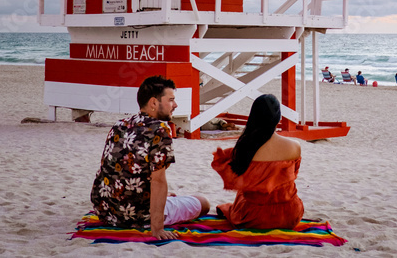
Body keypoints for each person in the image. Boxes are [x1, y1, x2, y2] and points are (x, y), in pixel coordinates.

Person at [90, 76, 210, 239]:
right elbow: (158, 180)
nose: (175, 105)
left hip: (106, 210)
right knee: (203, 202)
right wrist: (157, 228)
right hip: (138, 215)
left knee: (168, 195)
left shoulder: (120, 125)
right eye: (171, 100)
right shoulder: (159, 130)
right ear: (154, 103)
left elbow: (113, 169)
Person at [211, 94, 304, 229]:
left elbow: (234, 175)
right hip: (290, 215)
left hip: (254, 217)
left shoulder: (243, 148)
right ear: (278, 118)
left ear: (253, 117)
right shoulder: (295, 146)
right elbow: (294, 175)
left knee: (242, 194)